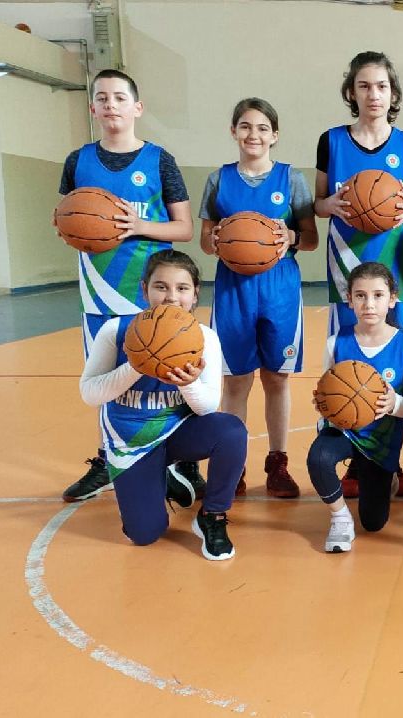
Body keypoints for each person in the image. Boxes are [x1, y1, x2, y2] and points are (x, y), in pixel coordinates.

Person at [57, 69, 196, 503]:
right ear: (93, 108)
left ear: (137, 107)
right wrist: (70, 226)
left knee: (169, 373)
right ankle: (108, 458)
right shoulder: (77, 162)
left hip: (153, 291)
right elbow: (67, 220)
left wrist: (138, 225)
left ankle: (180, 458)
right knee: (106, 379)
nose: (111, 104)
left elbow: (184, 228)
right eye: (102, 97)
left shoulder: (159, 160)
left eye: (120, 97)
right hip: (98, 290)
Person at [78, 250, 246, 560]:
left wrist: (187, 382)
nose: (171, 297)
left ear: (195, 294)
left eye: (182, 288)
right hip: (131, 442)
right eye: (161, 287)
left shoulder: (205, 338)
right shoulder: (116, 331)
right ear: (144, 290)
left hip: (178, 433)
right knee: (144, 534)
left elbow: (208, 408)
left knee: (231, 431)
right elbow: (90, 394)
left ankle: (213, 515)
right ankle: (161, 478)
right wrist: (136, 365)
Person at [314, 50, 403, 499]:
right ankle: (354, 459)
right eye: (364, 86)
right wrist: (329, 205)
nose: (373, 94)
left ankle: (389, 461)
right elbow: (318, 204)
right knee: (348, 364)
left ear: (393, 93)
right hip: (346, 266)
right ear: (351, 92)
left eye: (381, 86)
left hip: (394, 268)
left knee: (394, 368)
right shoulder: (331, 141)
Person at [199, 97, 317, 499]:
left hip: (279, 288)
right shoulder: (218, 180)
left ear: (275, 135)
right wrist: (218, 240)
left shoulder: (291, 179)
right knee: (235, 381)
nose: (254, 134)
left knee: (276, 378)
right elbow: (206, 241)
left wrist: (292, 237)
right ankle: (233, 464)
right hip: (233, 288)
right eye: (246, 126)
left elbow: (311, 238)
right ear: (234, 131)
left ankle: (277, 462)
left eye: (263, 128)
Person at [307, 262, 403, 553]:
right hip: (343, 431)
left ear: (392, 299)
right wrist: (324, 404)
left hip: (381, 439)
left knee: (373, 522)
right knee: (318, 458)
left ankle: (386, 474)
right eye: (360, 296)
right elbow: (326, 393)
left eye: (377, 295)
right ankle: (340, 518)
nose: (369, 304)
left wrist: (395, 403)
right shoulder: (336, 343)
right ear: (349, 300)